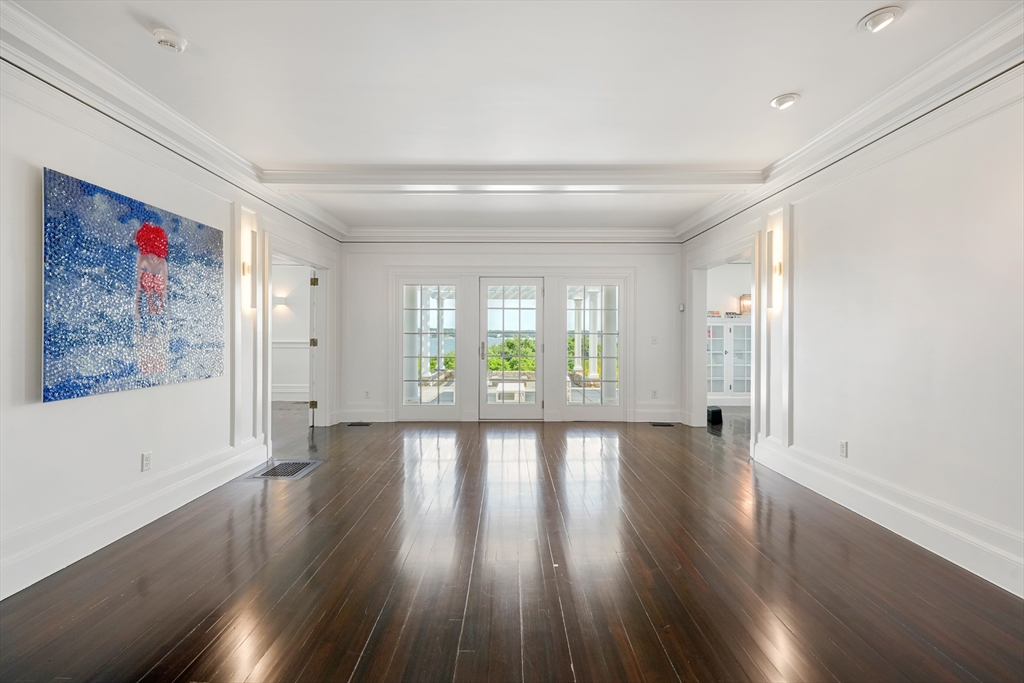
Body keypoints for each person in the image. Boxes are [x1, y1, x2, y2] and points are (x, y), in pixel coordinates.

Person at [134, 222, 169, 374]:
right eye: (151, 254)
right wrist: (137, 309)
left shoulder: (162, 262)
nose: (154, 259)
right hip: (146, 308)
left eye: (157, 254)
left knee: (160, 340)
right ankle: (146, 366)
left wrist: (167, 313)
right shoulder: (142, 260)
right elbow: (138, 287)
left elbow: (165, 289)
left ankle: (159, 365)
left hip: (160, 310)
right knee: (146, 340)